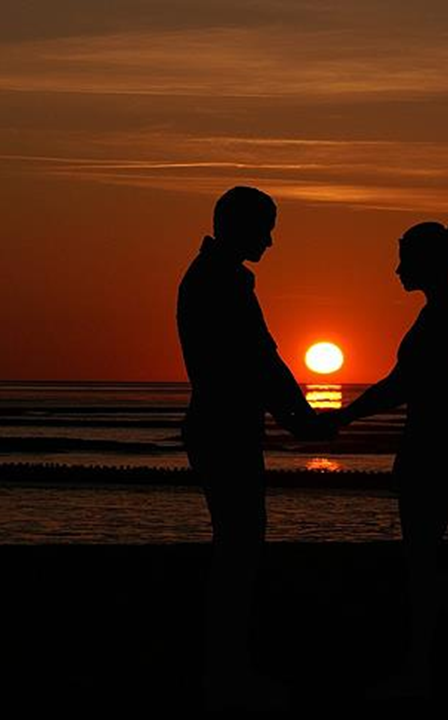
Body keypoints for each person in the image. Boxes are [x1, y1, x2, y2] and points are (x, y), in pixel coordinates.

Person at [321, 221, 448, 699]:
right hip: (429, 440)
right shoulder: (442, 310)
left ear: (426, 262)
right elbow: (402, 383)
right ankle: (427, 664)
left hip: (430, 444)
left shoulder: (443, 313)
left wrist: (344, 416)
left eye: (404, 259)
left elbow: (401, 385)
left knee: (423, 561)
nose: (397, 269)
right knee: (421, 560)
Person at [176, 186, 323, 709]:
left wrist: (294, 417)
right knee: (239, 550)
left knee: (236, 546)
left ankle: (226, 667)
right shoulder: (222, 281)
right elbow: (259, 359)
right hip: (225, 431)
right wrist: (301, 419)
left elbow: (258, 361)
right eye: (265, 229)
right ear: (238, 226)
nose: (270, 241)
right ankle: (227, 672)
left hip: (219, 427)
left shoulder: (210, 276)